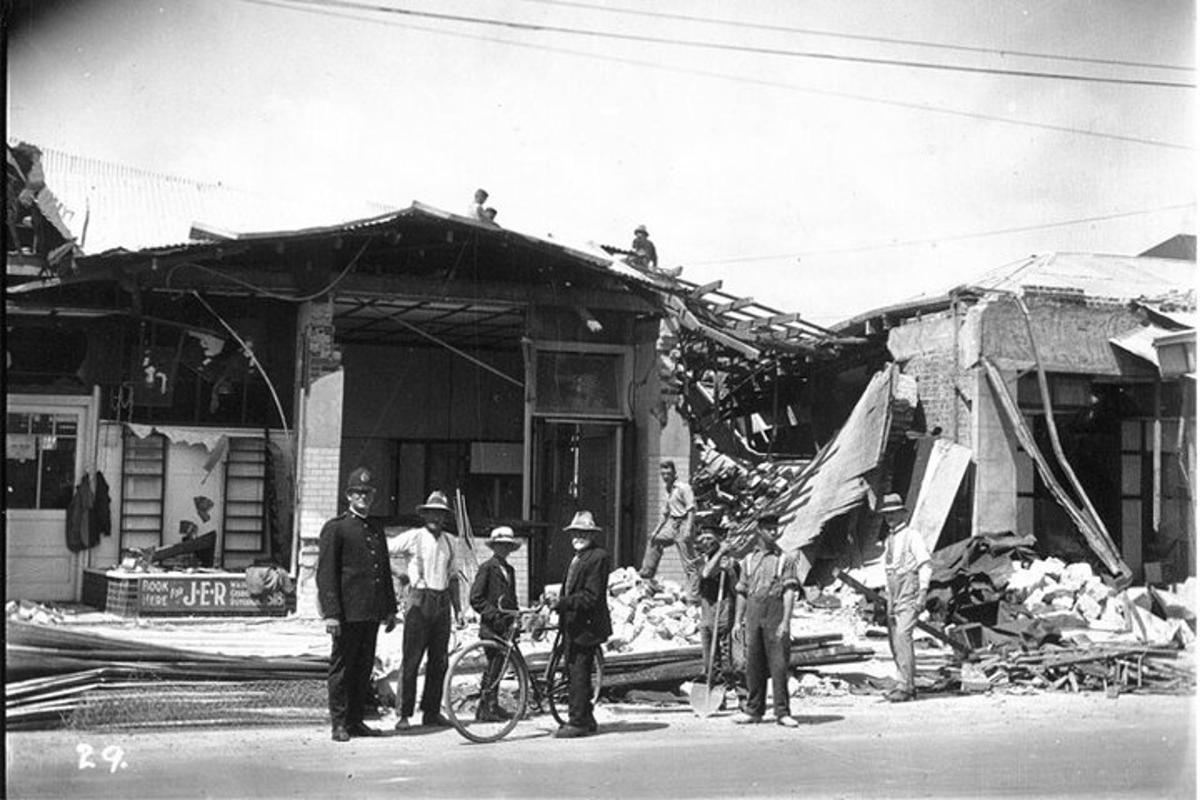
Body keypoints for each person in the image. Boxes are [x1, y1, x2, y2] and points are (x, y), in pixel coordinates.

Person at [316, 467, 398, 742]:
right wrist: (331, 614)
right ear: (348, 496)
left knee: (363, 667)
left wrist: (389, 609)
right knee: (342, 668)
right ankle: (339, 723)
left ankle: (355, 720)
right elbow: (326, 574)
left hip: (370, 612)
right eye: (357, 492)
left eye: (367, 492)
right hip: (347, 613)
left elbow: (383, 571)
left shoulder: (375, 528)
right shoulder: (336, 528)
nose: (363, 497)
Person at [390, 490, 463, 729]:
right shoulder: (414, 537)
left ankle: (431, 712)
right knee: (411, 659)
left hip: (442, 602)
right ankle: (403, 714)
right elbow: (383, 551)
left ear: (445, 517)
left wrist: (459, 609)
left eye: (440, 514)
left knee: (439, 660)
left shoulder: (451, 542)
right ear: (425, 515)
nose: (436, 518)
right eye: (432, 513)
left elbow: (453, 578)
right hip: (419, 599)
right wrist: (399, 574)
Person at [732, 513, 800, 727]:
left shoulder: (785, 559)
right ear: (758, 531)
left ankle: (782, 712)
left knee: (779, 664)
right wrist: (737, 621)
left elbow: (789, 591)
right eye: (769, 528)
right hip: (753, 612)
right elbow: (742, 592)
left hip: (775, 610)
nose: (774, 532)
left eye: (775, 528)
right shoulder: (748, 560)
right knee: (753, 663)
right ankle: (754, 710)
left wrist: (786, 622)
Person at [552, 510, 612, 739]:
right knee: (576, 670)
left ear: (592, 535)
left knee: (578, 672)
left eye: (583, 532)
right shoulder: (578, 557)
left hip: (587, 625)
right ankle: (586, 717)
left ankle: (577, 722)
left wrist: (563, 603)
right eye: (576, 532)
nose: (578, 536)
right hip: (573, 623)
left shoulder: (597, 557)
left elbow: (591, 596)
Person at [878, 492, 931, 703]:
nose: (889, 517)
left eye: (893, 513)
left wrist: (922, 594)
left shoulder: (912, 536)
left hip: (909, 588)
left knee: (903, 635)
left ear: (902, 514)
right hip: (893, 590)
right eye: (886, 514)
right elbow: (888, 569)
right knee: (894, 638)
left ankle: (906, 686)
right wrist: (887, 594)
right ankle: (903, 682)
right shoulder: (889, 539)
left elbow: (925, 565)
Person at [469, 525, 521, 722]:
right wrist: (494, 615)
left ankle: (491, 704)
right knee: (493, 665)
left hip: (506, 627)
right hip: (492, 627)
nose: (504, 549)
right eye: (500, 545)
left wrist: (515, 618)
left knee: (499, 666)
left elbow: (511, 599)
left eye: (507, 546)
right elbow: (476, 598)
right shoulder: (487, 568)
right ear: (494, 547)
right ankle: (486, 707)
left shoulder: (509, 570)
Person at [638, 461, 699, 593]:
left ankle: (693, 596)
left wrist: (688, 529)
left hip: (683, 525)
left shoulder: (683, 488)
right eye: (663, 474)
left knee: (689, 563)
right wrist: (656, 531)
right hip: (673, 525)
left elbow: (691, 509)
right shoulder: (669, 490)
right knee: (655, 541)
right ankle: (647, 573)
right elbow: (665, 514)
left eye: (668, 473)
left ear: (674, 473)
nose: (665, 476)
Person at [697, 520, 740, 707]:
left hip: (723, 614)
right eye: (703, 537)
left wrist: (729, 569)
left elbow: (736, 589)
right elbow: (706, 573)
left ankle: (739, 696)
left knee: (728, 660)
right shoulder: (702, 561)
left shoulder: (731, 563)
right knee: (709, 662)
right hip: (706, 615)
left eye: (710, 538)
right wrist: (721, 552)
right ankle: (714, 697)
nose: (705, 542)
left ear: (719, 539)